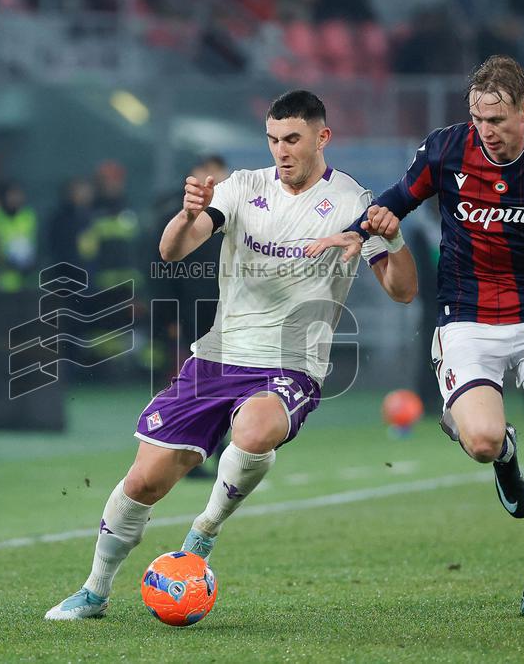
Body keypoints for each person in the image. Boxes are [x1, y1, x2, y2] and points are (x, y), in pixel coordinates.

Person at [45, 90, 417, 620]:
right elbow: (172, 250)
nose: (281, 150)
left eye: (293, 139)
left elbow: (403, 291)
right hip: (217, 358)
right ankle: (95, 591)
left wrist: (394, 241)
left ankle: (203, 533)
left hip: (291, 364)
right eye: (273, 139)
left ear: (322, 138)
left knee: (256, 430)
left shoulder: (354, 202)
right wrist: (188, 214)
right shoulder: (242, 187)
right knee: (144, 481)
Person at [310, 55, 524, 618]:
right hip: (468, 320)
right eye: (478, 118)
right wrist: (360, 229)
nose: (486, 131)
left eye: (498, 120)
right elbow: (396, 199)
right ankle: (504, 449)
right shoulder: (445, 148)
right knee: (481, 441)